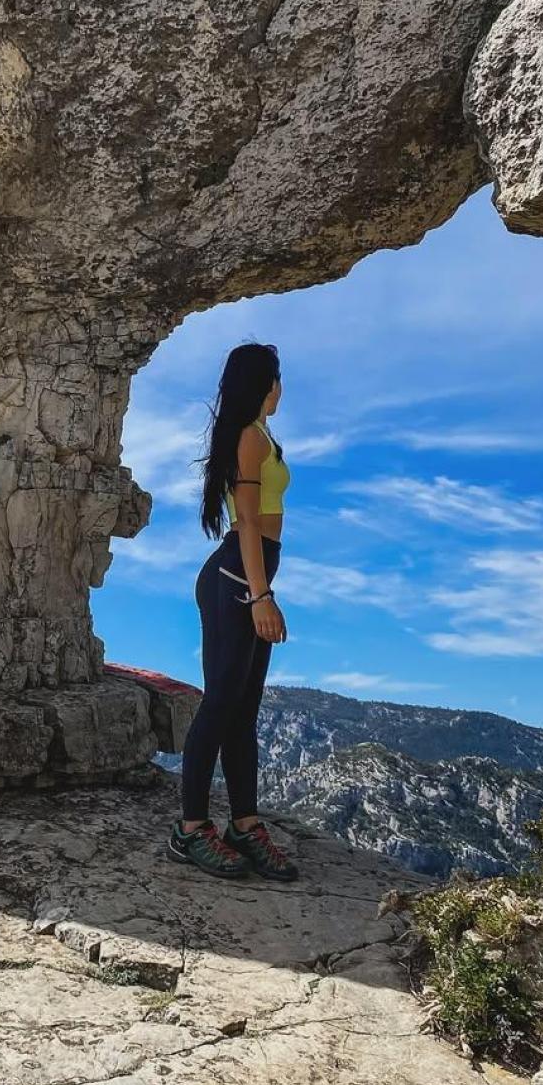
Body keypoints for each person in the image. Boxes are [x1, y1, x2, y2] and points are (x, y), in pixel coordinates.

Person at [167, 341, 298, 882]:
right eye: (278, 377)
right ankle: (190, 830)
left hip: (248, 576)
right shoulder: (249, 437)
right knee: (220, 704)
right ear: (264, 383)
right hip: (235, 581)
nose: (282, 388)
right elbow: (246, 520)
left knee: (243, 711)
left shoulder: (261, 436)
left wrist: (262, 589)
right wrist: (261, 596)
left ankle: (244, 825)